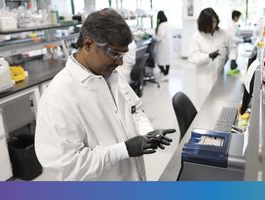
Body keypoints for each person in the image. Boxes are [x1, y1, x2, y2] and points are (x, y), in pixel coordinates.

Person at [34, 8, 175, 181]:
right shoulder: (58, 97)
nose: (121, 61)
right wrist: (123, 150)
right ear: (88, 44)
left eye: (123, 53)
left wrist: (147, 133)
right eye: (115, 53)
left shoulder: (111, 75)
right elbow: (67, 166)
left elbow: (135, 109)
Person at [189, 8, 237, 74]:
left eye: (214, 22)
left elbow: (232, 47)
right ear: (203, 23)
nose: (213, 26)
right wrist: (209, 56)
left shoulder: (223, 33)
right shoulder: (197, 36)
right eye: (209, 23)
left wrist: (233, 59)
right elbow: (193, 58)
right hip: (204, 76)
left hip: (220, 74)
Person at [153, 11, 172, 81]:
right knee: (167, 60)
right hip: (168, 45)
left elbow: (159, 37)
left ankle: (165, 74)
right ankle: (166, 73)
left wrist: (153, 36)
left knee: (159, 61)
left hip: (163, 45)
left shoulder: (161, 25)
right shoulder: (168, 23)